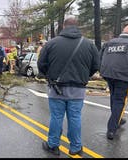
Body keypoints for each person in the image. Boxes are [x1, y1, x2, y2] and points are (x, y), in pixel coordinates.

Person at [37, 17, 100, 156]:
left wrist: (49, 76)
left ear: (63, 26)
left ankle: (53, 145)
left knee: (56, 117)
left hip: (56, 88)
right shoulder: (89, 44)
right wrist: (84, 76)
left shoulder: (51, 43)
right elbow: (96, 65)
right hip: (78, 88)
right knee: (75, 117)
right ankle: (75, 147)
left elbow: (41, 64)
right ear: (78, 26)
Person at [100, 24, 128, 140]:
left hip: (108, 74)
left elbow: (100, 57)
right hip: (124, 77)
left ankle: (118, 118)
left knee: (114, 98)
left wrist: (102, 71)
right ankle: (112, 128)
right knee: (120, 101)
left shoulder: (109, 42)